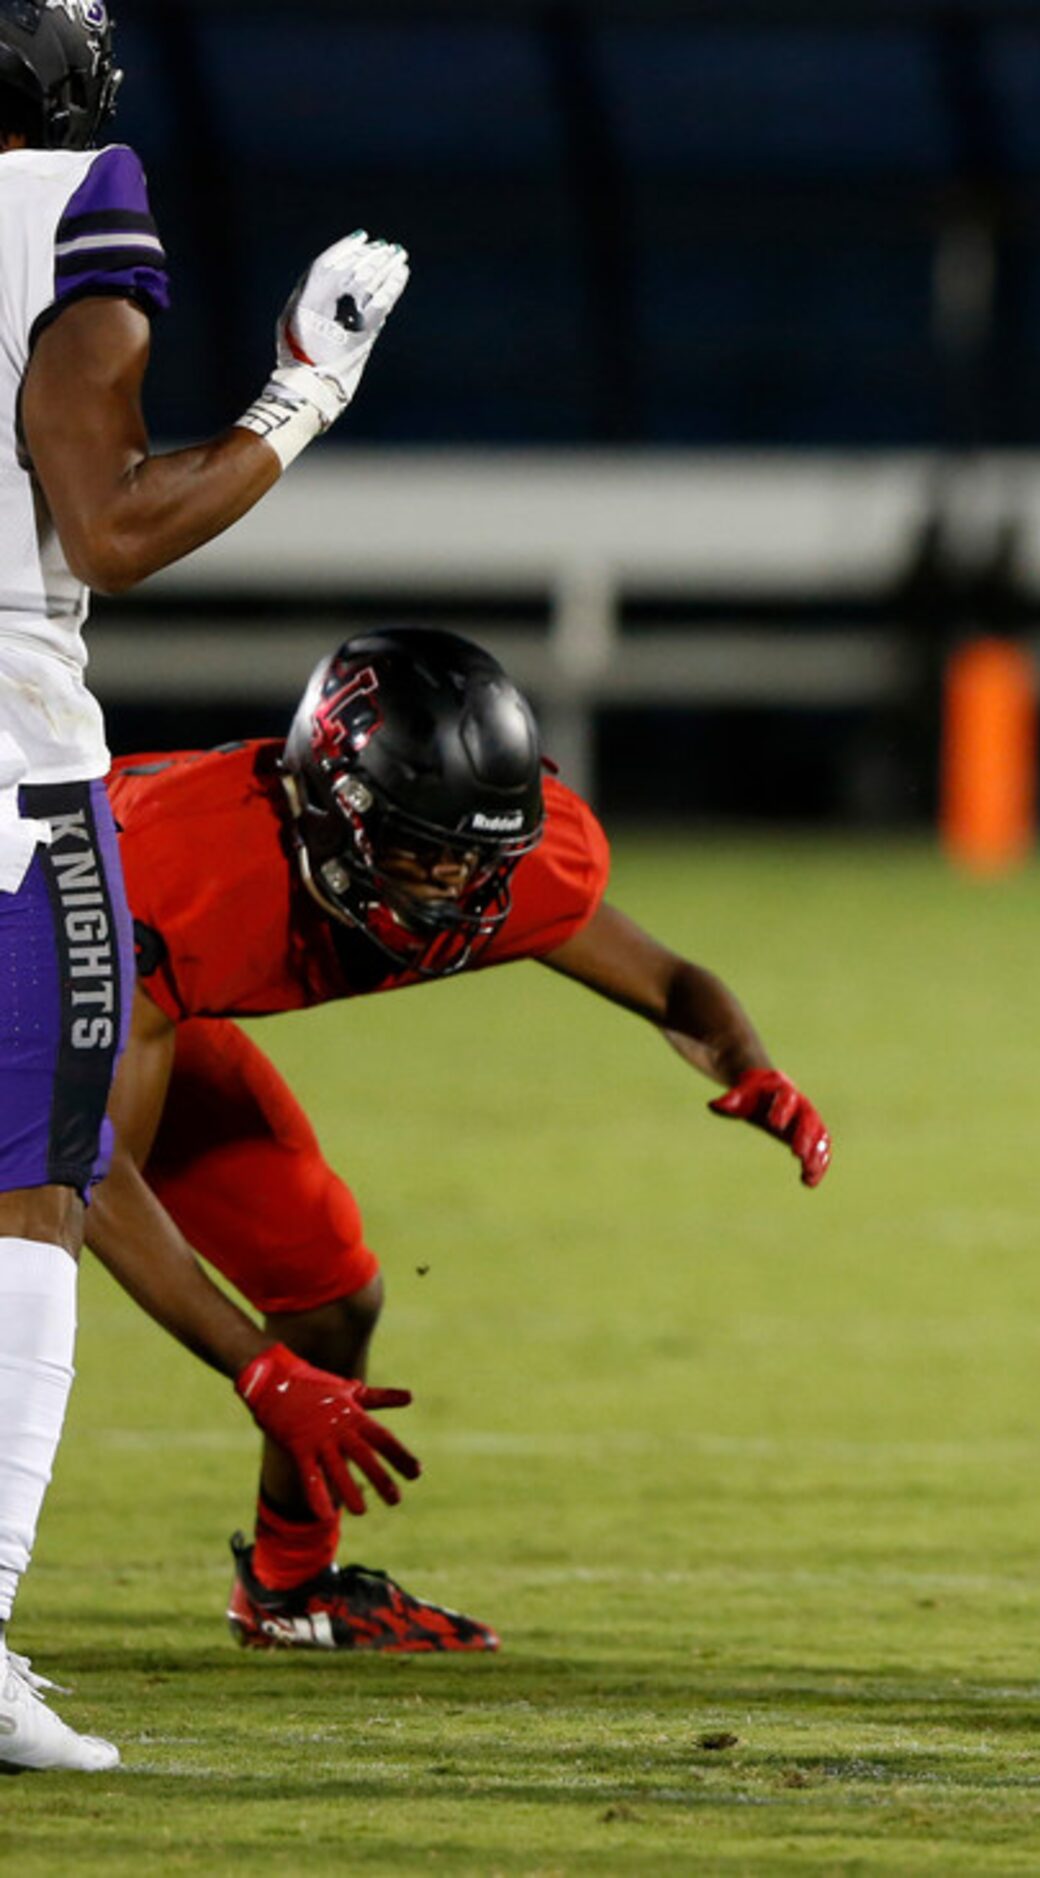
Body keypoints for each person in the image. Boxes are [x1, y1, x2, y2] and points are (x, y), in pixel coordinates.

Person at [84, 626, 831, 1654]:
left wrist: (747, 1061)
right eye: (417, 849)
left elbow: (667, 983)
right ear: (333, 809)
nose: (449, 886)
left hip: (155, 1002)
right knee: (21, 1284)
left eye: (475, 856)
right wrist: (257, 1370)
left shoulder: (492, 865)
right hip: (46, 962)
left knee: (330, 1292)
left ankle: (293, 1593)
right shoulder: (183, 881)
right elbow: (79, 1170)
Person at [0, 0, 412, 1771]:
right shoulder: (75, 191)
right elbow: (104, 526)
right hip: (11, 761)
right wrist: (302, 394)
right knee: (26, 1193)